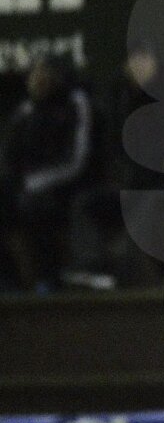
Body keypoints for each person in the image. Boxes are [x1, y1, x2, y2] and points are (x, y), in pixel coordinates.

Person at [0, 53, 96, 292]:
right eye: (33, 73)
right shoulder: (25, 110)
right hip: (27, 186)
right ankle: (10, 280)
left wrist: (33, 183)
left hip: (71, 186)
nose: (36, 78)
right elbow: (9, 158)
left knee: (35, 205)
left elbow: (76, 162)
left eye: (43, 72)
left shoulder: (77, 102)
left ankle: (49, 279)